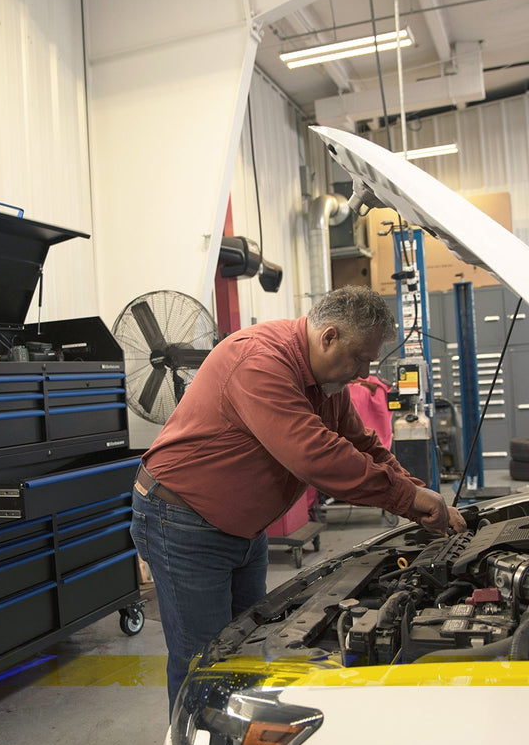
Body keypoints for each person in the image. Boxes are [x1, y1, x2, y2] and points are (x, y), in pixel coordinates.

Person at [130, 285, 466, 716]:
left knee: (245, 645)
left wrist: (422, 494)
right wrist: (409, 499)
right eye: (360, 358)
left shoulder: (327, 383)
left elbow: (362, 444)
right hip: (181, 521)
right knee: (203, 659)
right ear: (328, 337)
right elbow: (317, 456)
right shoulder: (259, 362)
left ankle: (237, 738)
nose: (364, 373)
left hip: (241, 528)